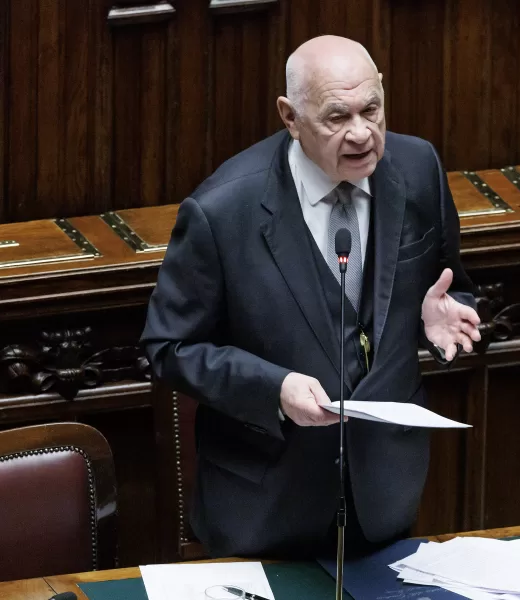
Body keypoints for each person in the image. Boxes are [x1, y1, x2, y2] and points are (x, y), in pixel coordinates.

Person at [141, 35, 481, 559]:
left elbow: (453, 284)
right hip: (267, 509)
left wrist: (438, 319)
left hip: (385, 494)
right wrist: (274, 388)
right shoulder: (222, 211)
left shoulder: (418, 170)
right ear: (290, 116)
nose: (362, 134)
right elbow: (169, 348)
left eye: (372, 109)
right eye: (337, 117)